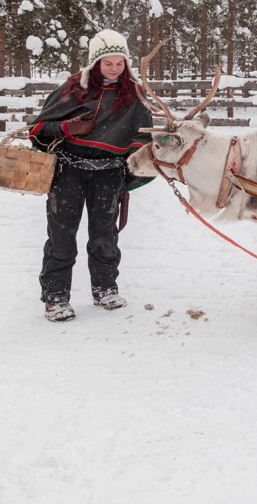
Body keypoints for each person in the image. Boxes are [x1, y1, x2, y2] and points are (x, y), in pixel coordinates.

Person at [29, 30, 154, 322]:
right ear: (95, 62)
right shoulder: (73, 89)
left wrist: (131, 156)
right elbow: (37, 131)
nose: (114, 68)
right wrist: (66, 128)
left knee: (104, 236)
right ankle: (56, 296)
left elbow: (142, 134)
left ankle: (105, 288)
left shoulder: (134, 94)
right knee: (61, 236)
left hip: (108, 175)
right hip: (68, 172)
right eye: (107, 62)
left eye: (119, 62)